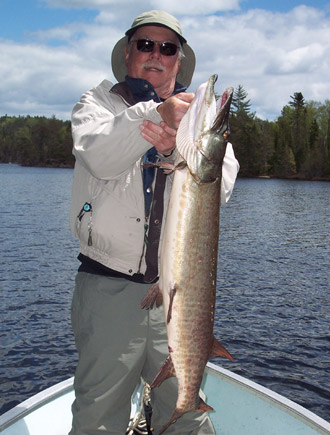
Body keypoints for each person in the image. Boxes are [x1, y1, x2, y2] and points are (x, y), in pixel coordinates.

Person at [69, 9, 239, 435]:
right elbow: (99, 156)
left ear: (178, 60)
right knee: (98, 416)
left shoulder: (196, 124)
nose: (156, 54)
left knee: (188, 418)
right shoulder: (97, 104)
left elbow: (218, 182)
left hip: (180, 299)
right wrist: (155, 115)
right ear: (128, 53)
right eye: (146, 44)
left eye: (168, 48)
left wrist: (173, 150)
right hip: (108, 292)